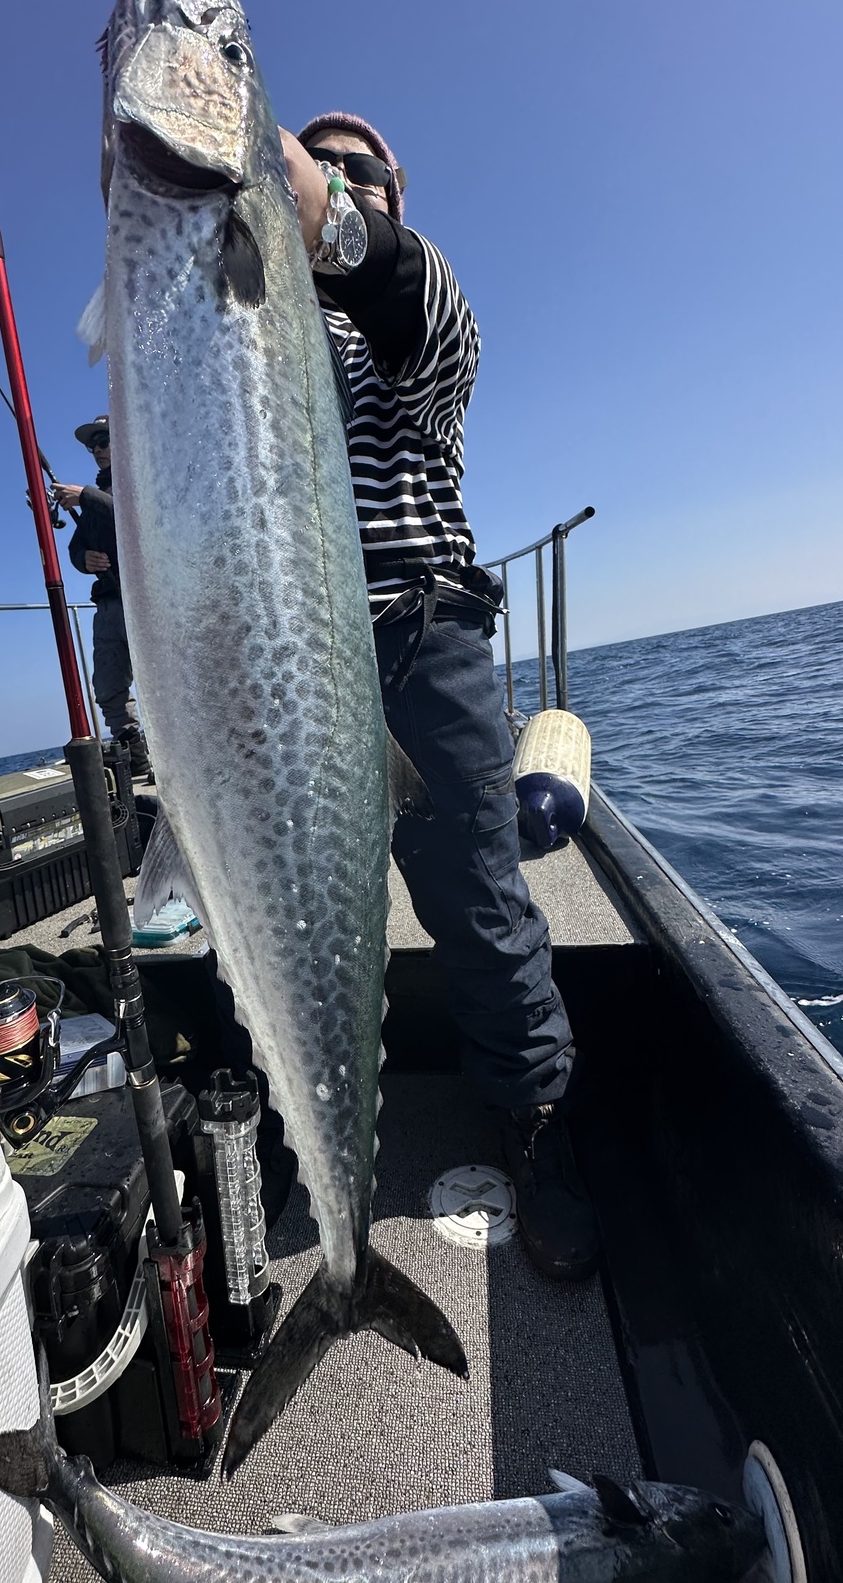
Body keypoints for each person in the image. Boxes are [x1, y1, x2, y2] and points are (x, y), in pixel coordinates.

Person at [280, 115, 599, 1281]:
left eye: (357, 169)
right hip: (285, 659)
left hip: (421, 636)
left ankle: (533, 1115)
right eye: (322, 161)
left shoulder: (418, 310)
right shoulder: (265, 327)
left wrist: (298, 190)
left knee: (477, 899)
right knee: (285, 911)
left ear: (390, 197)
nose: (335, 175)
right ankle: (297, 1127)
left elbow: (391, 279)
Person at [54, 415, 151, 781]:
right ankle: (135, 758)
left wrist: (85, 497)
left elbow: (132, 518)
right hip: (108, 604)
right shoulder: (95, 498)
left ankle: (176, 756)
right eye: (91, 445)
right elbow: (76, 548)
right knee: (109, 685)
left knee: (162, 682)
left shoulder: (139, 479)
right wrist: (85, 560)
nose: (96, 450)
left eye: (103, 441)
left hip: (144, 600)